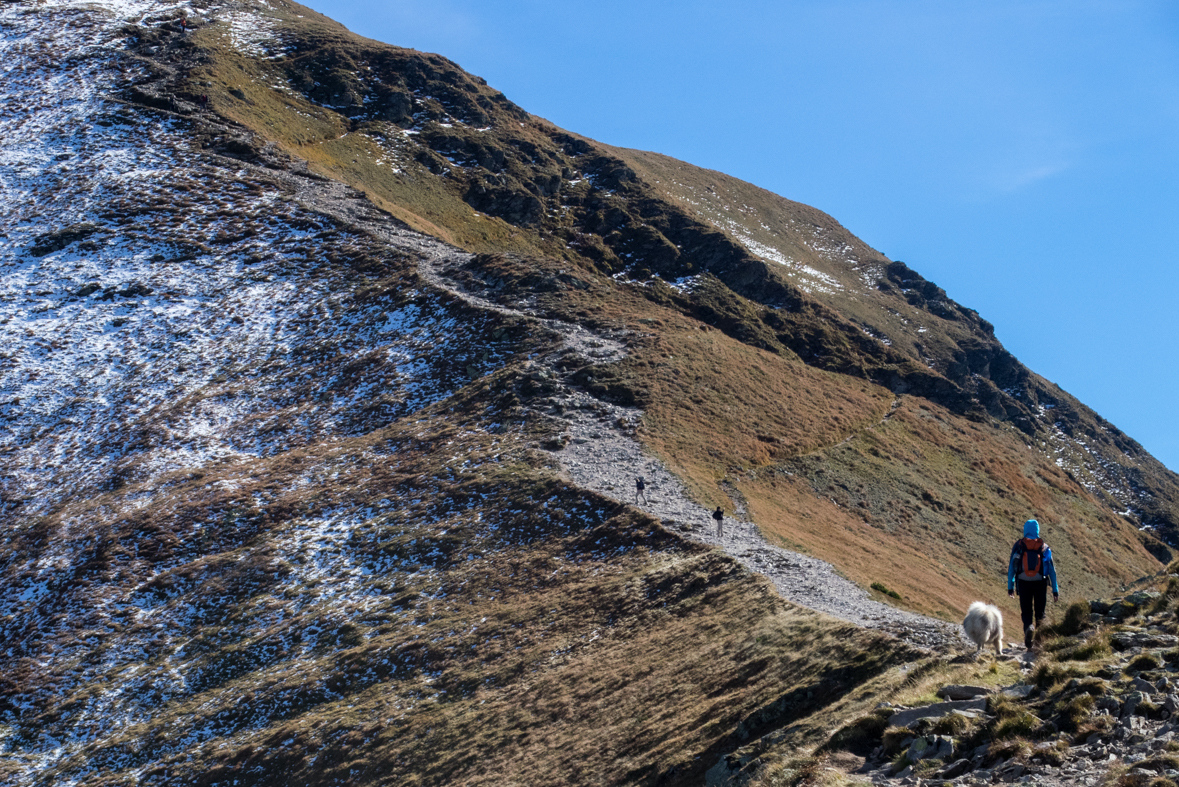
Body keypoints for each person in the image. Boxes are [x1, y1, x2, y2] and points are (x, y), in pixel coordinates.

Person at [1007, 518, 1059, 650]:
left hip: (1023, 583)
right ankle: (1040, 641)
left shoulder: (1019, 545)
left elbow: (1012, 568)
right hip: (1040, 583)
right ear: (1037, 530)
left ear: (1025, 530)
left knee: (1026, 611)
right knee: (1040, 612)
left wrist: (1010, 586)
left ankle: (1029, 632)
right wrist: (1055, 590)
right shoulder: (1044, 547)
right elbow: (1052, 570)